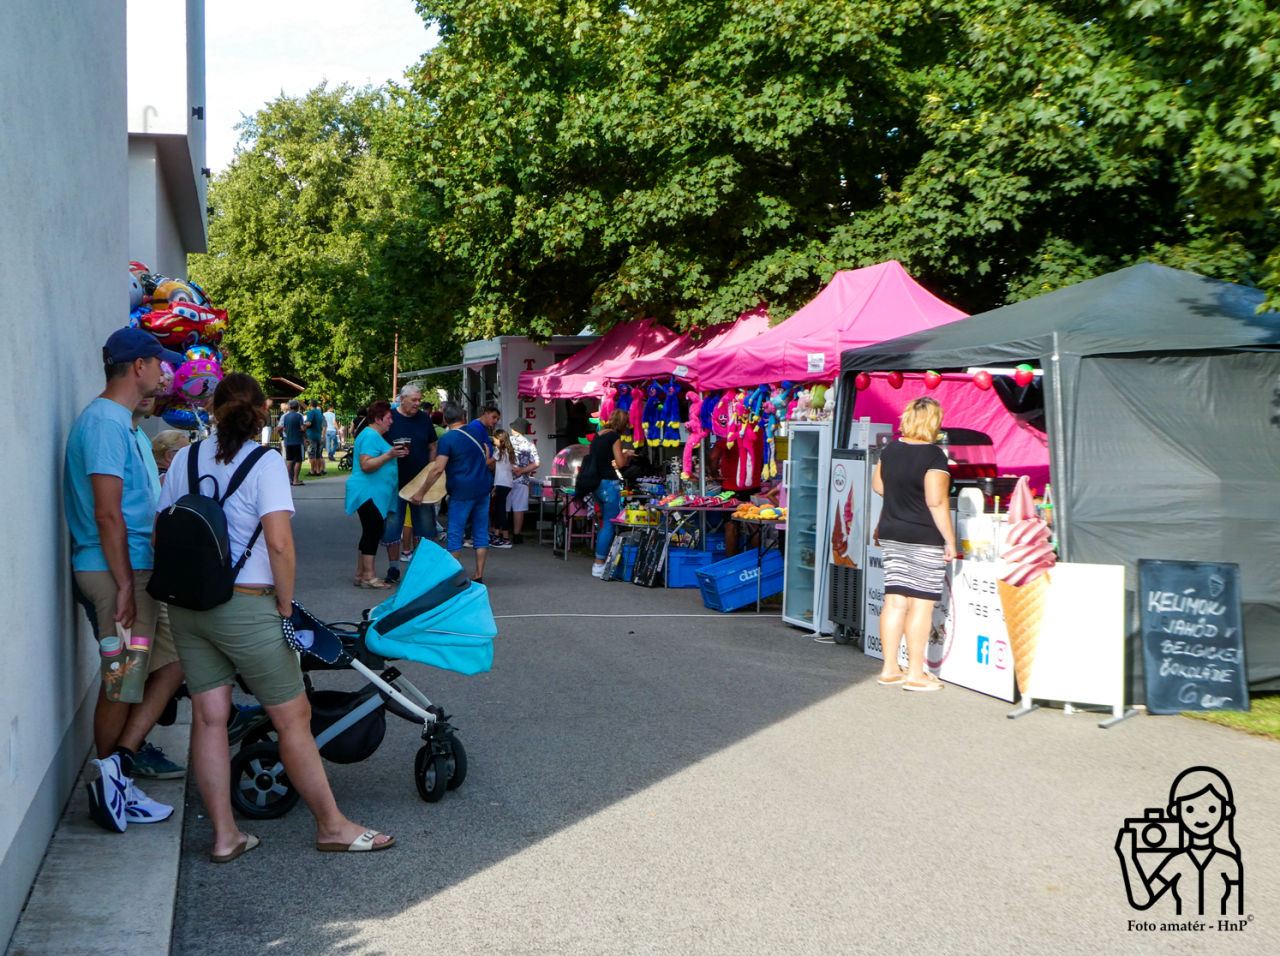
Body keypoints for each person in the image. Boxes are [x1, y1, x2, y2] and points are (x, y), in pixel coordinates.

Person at [159, 373, 394, 861]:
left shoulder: (184, 458)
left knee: (209, 718)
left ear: (214, 409)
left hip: (188, 606)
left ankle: (225, 835)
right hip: (246, 605)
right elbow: (280, 544)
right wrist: (284, 606)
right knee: (293, 718)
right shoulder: (264, 462)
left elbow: (162, 531)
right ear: (262, 413)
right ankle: (332, 826)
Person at [65, 328, 187, 832]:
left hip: (137, 568)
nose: (164, 372)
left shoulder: (125, 422)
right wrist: (121, 585)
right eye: (159, 363)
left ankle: (120, 764)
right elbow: (107, 513)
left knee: (174, 662)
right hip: (118, 570)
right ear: (138, 366)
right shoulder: (103, 423)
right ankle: (109, 790)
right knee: (122, 681)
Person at [871, 397, 956, 692]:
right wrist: (950, 539)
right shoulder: (934, 456)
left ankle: (889, 668)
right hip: (923, 536)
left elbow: (878, 485)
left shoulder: (891, 449)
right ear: (933, 422)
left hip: (892, 531)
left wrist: (901, 496)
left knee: (895, 601)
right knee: (921, 603)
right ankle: (916, 674)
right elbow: (936, 501)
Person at [1116, 767, 1242, 915]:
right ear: (1177, 811)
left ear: (1225, 811)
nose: (1201, 817)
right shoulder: (1177, 860)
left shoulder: (1228, 861)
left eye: (1212, 809)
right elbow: (1143, 900)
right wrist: (1128, 857)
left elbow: (1237, 909)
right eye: (1190, 809)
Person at [411, 402, 493, 583]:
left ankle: (449, 577)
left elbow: (438, 468)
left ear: (446, 419)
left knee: (455, 533)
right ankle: (479, 574)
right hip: (483, 487)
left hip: (462, 490)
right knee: (480, 532)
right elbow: (486, 452)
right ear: (463, 416)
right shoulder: (476, 432)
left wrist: (421, 491)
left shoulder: (447, 439)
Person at [345, 400, 408, 588]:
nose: (391, 422)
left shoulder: (371, 434)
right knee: (373, 531)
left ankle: (361, 573)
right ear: (378, 419)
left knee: (369, 531)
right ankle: (369, 577)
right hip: (368, 492)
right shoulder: (371, 436)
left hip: (371, 492)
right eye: (388, 418)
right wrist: (389, 455)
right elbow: (366, 464)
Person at [381, 384, 438, 583]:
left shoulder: (424, 418)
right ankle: (393, 569)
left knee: (425, 526)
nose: (417, 403)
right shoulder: (390, 418)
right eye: (414, 400)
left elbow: (432, 446)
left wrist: (430, 471)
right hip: (394, 483)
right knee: (392, 526)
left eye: (419, 400)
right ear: (402, 399)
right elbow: (376, 445)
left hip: (421, 484)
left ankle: (419, 569)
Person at [586, 410, 635, 578]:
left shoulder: (599, 435)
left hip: (596, 483)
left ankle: (600, 561)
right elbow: (619, 463)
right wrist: (626, 454)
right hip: (608, 483)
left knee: (605, 524)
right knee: (609, 524)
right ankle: (599, 564)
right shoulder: (615, 437)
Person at [710, 424, 766, 558]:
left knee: (731, 525)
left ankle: (731, 563)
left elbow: (713, 456)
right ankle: (756, 561)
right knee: (754, 525)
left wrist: (714, 475)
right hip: (754, 485)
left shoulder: (729, 431)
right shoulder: (759, 430)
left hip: (731, 486)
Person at [507, 418, 540, 544]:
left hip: (506, 478)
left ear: (514, 429)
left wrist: (512, 468)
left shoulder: (506, 441)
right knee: (518, 509)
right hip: (522, 480)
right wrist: (522, 470)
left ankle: (503, 534)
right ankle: (517, 535)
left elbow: (500, 459)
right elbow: (537, 463)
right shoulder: (529, 444)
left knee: (504, 508)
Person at [489, 429, 515, 549]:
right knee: (498, 510)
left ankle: (505, 538)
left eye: (495, 440)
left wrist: (486, 452)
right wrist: (496, 485)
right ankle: (497, 534)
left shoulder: (499, 451)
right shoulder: (508, 451)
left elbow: (488, 462)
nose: (494, 442)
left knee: (500, 510)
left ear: (500, 440)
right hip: (506, 483)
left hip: (502, 484)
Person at [275, 399, 305, 485]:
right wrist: (305, 436)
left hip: (288, 440)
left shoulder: (285, 416)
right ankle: (296, 479)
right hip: (297, 440)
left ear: (289, 407)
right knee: (298, 460)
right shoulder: (299, 416)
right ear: (297, 407)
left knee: (289, 460)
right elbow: (302, 428)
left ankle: (288, 479)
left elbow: (283, 428)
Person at [303, 400, 326, 476]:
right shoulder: (320, 413)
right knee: (318, 455)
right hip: (318, 435)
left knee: (312, 454)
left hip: (311, 435)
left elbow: (309, 423)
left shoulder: (310, 412)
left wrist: (303, 424)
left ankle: (312, 471)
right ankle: (318, 470)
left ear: (310, 404)